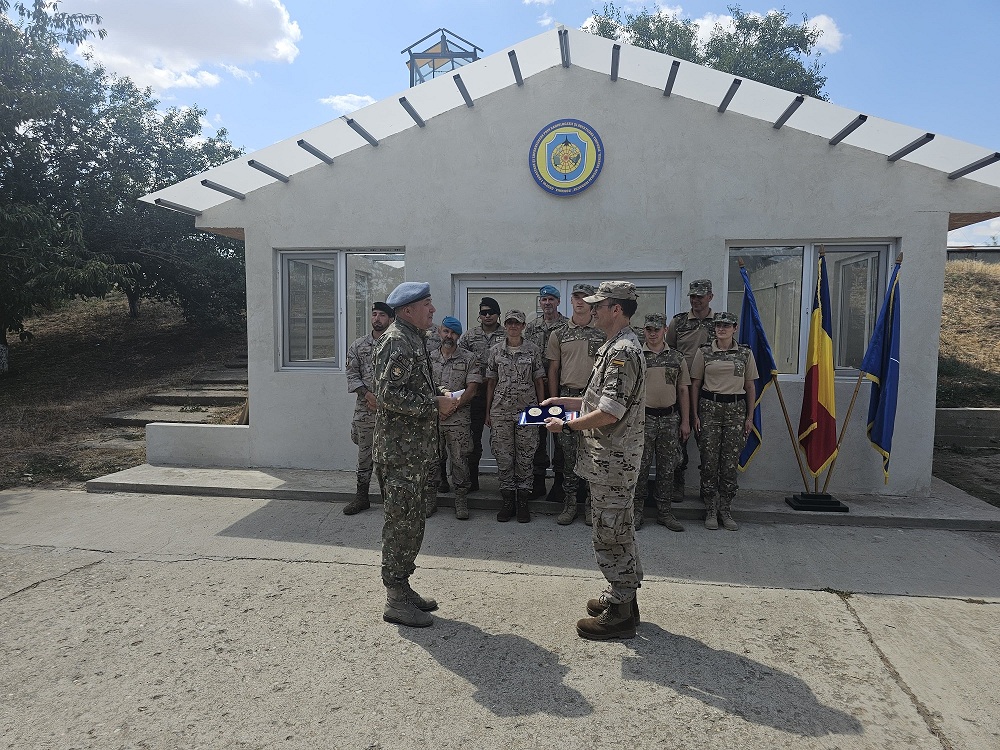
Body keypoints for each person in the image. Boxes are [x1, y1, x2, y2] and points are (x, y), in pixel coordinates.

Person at [544, 281, 645, 641]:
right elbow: (598, 402)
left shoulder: (623, 352)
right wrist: (563, 402)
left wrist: (566, 424)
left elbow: (610, 412)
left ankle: (619, 613)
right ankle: (625, 598)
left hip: (613, 460)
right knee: (619, 526)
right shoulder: (613, 347)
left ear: (615, 309)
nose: (593, 311)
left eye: (599, 306)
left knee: (610, 531)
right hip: (609, 459)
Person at [373, 281, 459, 627]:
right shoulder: (396, 339)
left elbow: (413, 386)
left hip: (415, 452)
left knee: (412, 522)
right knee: (400, 524)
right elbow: (388, 395)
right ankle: (394, 598)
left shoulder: (414, 338)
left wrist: (439, 393)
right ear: (408, 310)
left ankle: (403, 586)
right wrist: (433, 405)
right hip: (399, 454)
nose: (433, 310)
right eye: (428, 304)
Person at [690, 311, 757, 532]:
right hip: (710, 409)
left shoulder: (745, 354)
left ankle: (725, 509)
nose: (722, 329)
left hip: (736, 412)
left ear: (734, 328)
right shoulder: (705, 353)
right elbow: (696, 385)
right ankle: (710, 508)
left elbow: (749, 387)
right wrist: (695, 415)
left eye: (726, 326)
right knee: (709, 461)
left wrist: (749, 417)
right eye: (718, 325)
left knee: (729, 462)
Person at [544, 283, 605, 525]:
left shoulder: (602, 332)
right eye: (576, 297)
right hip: (567, 398)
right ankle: (570, 505)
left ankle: (591, 506)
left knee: (593, 453)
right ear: (571, 301)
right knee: (568, 456)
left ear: (592, 302)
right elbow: (553, 369)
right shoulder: (559, 333)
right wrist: (552, 403)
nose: (580, 302)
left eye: (585, 298)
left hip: (594, 399)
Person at [485, 309, 546, 523]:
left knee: (526, 456)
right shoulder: (495, 351)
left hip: (527, 410)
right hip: (500, 410)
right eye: (509, 322)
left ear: (523, 326)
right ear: (505, 325)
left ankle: (523, 501)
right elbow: (491, 382)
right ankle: (507, 499)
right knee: (504, 456)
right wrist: (488, 412)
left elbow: (539, 381)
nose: (513, 326)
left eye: (517, 323)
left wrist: (541, 411)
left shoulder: (533, 350)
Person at [634, 313, 690, 532]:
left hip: (669, 419)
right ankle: (637, 512)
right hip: (644, 419)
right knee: (641, 467)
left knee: (667, 468)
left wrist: (685, 421)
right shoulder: (637, 356)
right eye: (649, 329)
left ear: (665, 330)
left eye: (657, 329)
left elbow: (683, 390)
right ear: (644, 330)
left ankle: (665, 513)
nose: (653, 333)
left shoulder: (676, 357)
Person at [343, 301, 394, 516]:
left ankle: (389, 499)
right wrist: (368, 395)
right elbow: (352, 375)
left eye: (382, 314)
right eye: (374, 314)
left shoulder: (396, 345)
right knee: (365, 454)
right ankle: (362, 496)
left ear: (391, 319)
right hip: (366, 410)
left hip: (392, 411)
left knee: (390, 455)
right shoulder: (358, 345)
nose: (377, 318)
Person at [666, 279, 716, 495]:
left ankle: (709, 489)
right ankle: (678, 482)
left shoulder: (720, 323)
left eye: (700, 296)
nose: (696, 300)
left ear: (710, 297)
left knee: (708, 440)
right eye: (693, 296)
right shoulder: (679, 322)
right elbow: (669, 351)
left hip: (710, 388)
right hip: (682, 387)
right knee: (680, 436)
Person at [429, 316, 480, 520]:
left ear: (459, 335)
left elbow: (473, 388)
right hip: (432, 417)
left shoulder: (469, 358)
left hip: (458, 419)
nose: (449, 336)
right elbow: (424, 387)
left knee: (459, 459)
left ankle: (460, 499)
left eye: (453, 333)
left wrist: (452, 407)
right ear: (440, 332)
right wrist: (438, 406)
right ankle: (430, 498)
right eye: (446, 331)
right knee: (432, 459)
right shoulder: (429, 358)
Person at [525, 285, 569, 500]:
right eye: (544, 300)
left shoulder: (567, 327)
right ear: (540, 303)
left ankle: (560, 483)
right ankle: (538, 480)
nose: (547, 303)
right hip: (535, 390)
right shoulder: (531, 328)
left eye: (552, 299)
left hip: (561, 388)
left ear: (558, 302)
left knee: (561, 435)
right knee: (537, 436)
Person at [458, 297, 505, 492]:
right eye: (483, 312)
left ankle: (506, 483)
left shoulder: (507, 334)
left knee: (503, 440)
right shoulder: (469, 336)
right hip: (476, 393)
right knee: (473, 437)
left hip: (502, 392)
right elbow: (459, 360)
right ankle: (472, 479)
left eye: (491, 312)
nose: (487, 316)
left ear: (498, 314)